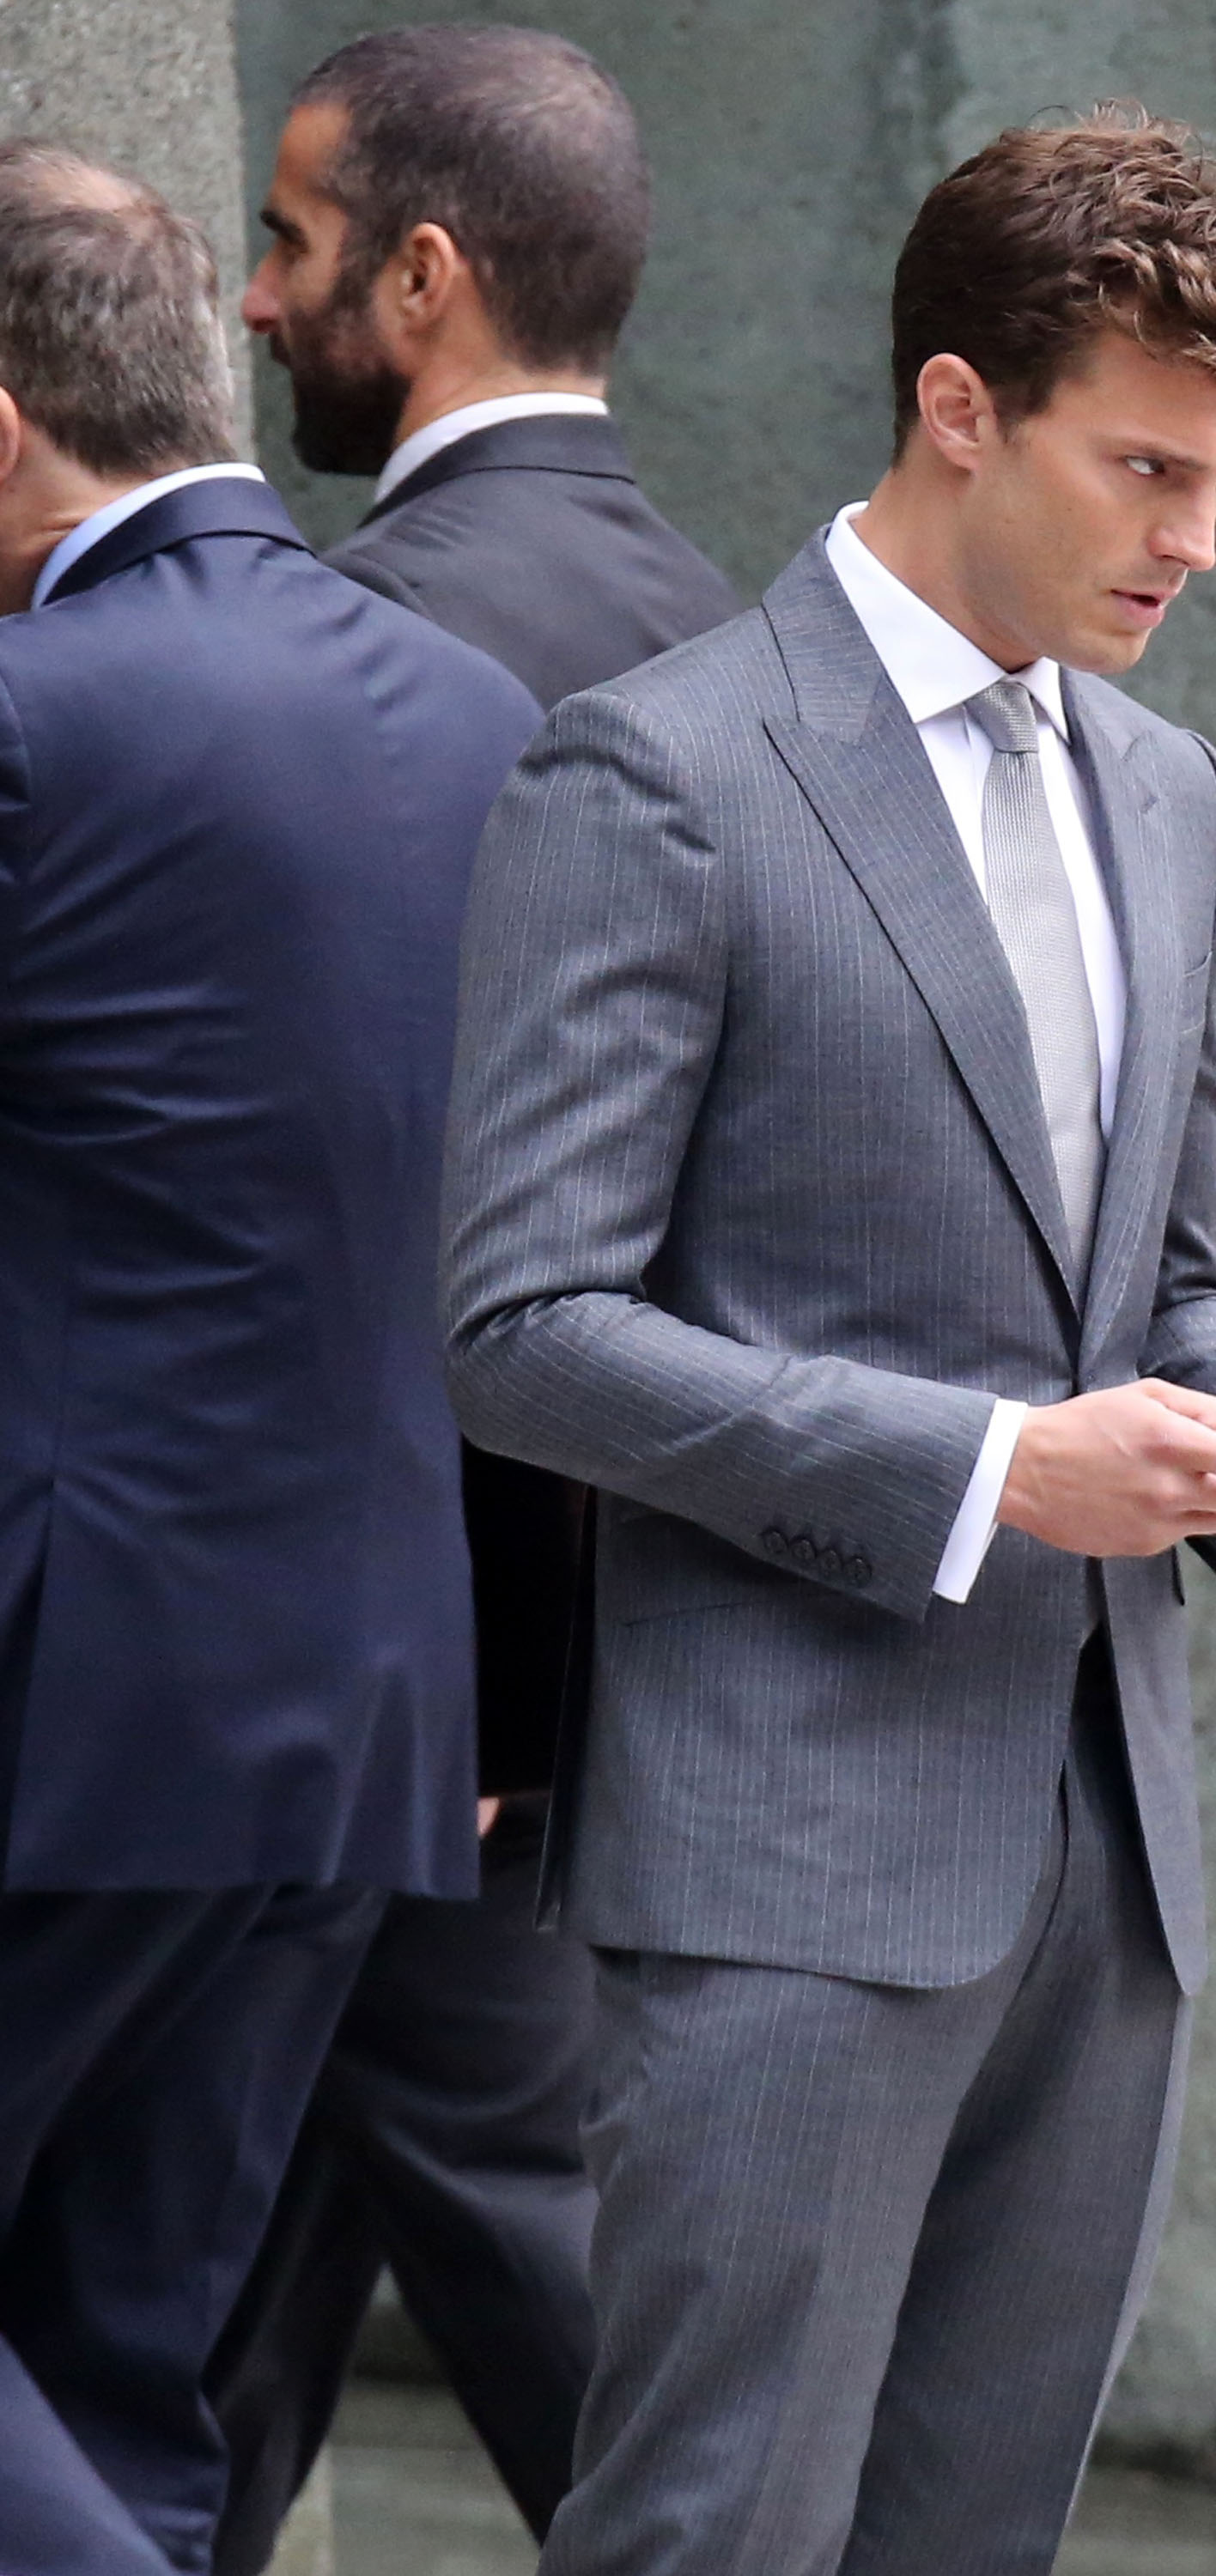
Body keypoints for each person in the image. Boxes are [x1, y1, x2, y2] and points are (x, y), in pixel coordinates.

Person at [442, 104, 1216, 2576]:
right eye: (1149, 470)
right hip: (780, 1859)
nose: (1197, 542)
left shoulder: (1174, 797)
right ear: (959, 407)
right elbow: (522, 1328)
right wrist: (995, 1471)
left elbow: (1159, 1276)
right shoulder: (660, 772)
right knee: (713, 2538)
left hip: (1109, 1861)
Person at [210, 28, 739, 2573]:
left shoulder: (366, 656)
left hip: (413, 1696)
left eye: (291, 243)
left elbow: (399, 1211)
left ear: (421, 278)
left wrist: (495, 1691)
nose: (253, 298)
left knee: (574, 2326)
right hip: (580, 1669)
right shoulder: (732, 635)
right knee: (209, 2316)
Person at [0, 146, 539, 2575]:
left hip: (71, 1699)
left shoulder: (32, 720)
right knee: (123, 2367)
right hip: (371, 1714)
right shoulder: (477, 712)